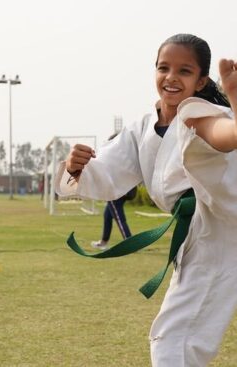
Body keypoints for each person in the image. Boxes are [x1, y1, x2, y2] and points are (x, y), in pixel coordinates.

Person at [56, 33, 237, 366]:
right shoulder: (142, 128)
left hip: (222, 235)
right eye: (163, 67)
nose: (171, 77)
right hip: (200, 240)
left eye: (184, 71)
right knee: (179, 341)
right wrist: (74, 167)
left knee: (174, 341)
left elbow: (224, 137)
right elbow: (105, 174)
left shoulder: (199, 113)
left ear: (201, 82)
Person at [91, 134, 134, 250]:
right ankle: (104, 241)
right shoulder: (125, 155)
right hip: (122, 191)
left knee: (119, 218)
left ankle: (130, 243)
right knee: (107, 215)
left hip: (117, 192)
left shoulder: (116, 157)